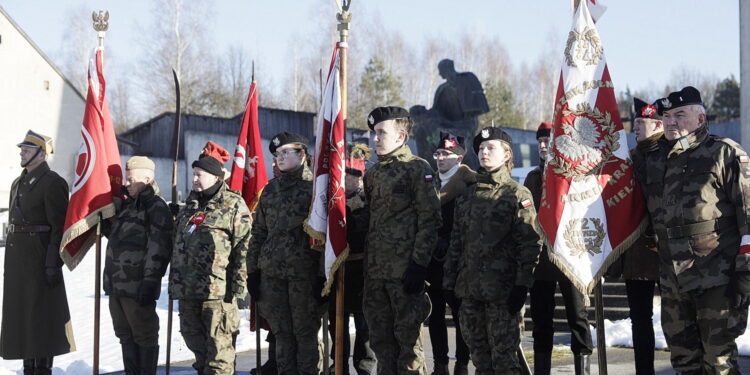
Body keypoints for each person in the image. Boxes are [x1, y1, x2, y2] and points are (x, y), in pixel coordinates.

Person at [644, 86, 750, 373]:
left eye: (680, 114)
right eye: (666, 116)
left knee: (718, 363)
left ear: (701, 119)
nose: (671, 122)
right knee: (683, 361)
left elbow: (749, 215)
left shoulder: (723, 153)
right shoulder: (654, 161)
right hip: (673, 281)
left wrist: (745, 273)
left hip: (717, 278)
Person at [444, 127, 541, 375]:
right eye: (481, 148)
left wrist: (521, 286)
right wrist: (449, 283)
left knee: (505, 361)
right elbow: (456, 241)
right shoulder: (466, 195)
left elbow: (529, 244)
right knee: (480, 360)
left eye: (491, 148)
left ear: (507, 154)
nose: (484, 152)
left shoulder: (516, 194)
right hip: (469, 291)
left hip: (503, 293)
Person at [362, 106, 442, 375]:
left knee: (409, 350)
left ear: (401, 136)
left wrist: (419, 266)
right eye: (374, 133)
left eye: (382, 133)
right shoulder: (372, 174)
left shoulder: (417, 169)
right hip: (376, 275)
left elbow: (429, 220)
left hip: (405, 274)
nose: (375, 139)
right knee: (382, 346)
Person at [247, 132, 325, 375]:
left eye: (284, 153)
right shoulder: (271, 191)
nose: (278, 159)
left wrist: (323, 276)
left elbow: (326, 236)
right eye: (276, 155)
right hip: (272, 275)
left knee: (304, 333)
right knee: (281, 333)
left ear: (301, 154)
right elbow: (259, 232)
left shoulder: (315, 189)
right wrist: (253, 271)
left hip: (304, 275)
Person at [170, 141, 250, 375]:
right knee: (198, 350)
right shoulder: (190, 207)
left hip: (218, 293)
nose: (195, 179)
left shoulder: (233, 205)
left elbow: (244, 247)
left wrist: (237, 287)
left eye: (200, 174)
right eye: (194, 174)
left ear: (216, 177)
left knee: (219, 355)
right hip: (188, 291)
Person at [0, 130, 76, 374]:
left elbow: (58, 226)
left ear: (43, 154)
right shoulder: (18, 182)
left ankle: (42, 370)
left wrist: (53, 262)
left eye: (28, 149)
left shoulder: (53, 182)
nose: (22, 152)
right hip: (18, 261)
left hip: (40, 258)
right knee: (22, 316)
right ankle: (28, 367)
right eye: (22, 148)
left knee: (41, 317)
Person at [525, 122, 593, 375]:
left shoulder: (574, 175)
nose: (543, 145)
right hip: (542, 259)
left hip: (570, 256)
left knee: (578, 318)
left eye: (548, 140)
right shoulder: (533, 177)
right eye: (540, 141)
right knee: (541, 321)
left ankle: (582, 369)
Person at [102, 156, 173, 375]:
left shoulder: (155, 207)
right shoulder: (128, 206)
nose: (126, 183)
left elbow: (159, 247)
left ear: (147, 179)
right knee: (124, 334)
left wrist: (151, 281)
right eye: (126, 178)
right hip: (117, 285)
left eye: (131, 179)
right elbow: (121, 239)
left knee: (144, 334)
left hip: (137, 286)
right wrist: (105, 224)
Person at [606, 99, 661, 375]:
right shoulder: (630, 158)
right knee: (640, 319)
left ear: (658, 124)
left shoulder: (670, 153)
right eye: (635, 123)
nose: (635, 128)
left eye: (641, 123)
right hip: (637, 252)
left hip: (669, 251)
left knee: (682, 320)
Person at [328, 143, 377, 375]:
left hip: (361, 267)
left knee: (363, 323)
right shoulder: (332, 201)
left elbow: (366, 231)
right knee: (336, 321)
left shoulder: (368, 202)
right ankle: (337, 363)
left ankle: (364, 365)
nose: (349, 180)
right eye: (345, 175)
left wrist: (353, 211)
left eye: (354, 176)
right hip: (337, 266)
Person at [427, 132, 472, 375]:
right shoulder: (428, 182)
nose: (441, 158)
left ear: (459, 157)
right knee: (434, 315)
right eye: (438, 153)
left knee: (460, 314)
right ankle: (440, 364)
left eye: (447, 153)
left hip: (459, 261)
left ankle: (462, 364)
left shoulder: (470, 182)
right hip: (433, 260)